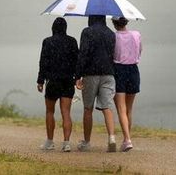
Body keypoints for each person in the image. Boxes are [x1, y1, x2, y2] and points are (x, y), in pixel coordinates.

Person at [75, 15, 117, 152]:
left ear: (91, 18)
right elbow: (113, 54)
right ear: (104, 18)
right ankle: (111, 138)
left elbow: (83, 54)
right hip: (108, 73)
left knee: (88, 108)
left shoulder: (87, 32)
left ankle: (87, 142)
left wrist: (78, 76)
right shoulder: (111, 33)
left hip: (91, 74)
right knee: (107, 106)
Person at [37, 17, 79, 152]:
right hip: (67, 81)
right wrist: (77, 78)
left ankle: (50, 142)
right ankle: (66, 143)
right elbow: (76, 62)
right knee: (66, 112)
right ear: (65, 28)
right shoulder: (72, 41)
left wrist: (40, 80)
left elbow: (43, 62)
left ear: (53, 28)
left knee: (50, 111)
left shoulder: (47, 42)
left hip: (53, 81)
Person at [111, 17, 142, 152]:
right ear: (126, 22)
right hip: (133, 70)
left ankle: (127, 139)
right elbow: (140, 50)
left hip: (119, 70)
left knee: (121, 109)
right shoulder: (136, 34)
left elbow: (111, 54)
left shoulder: (114, 37)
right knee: (129, 109)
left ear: (114, 23)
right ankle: (126, 138)